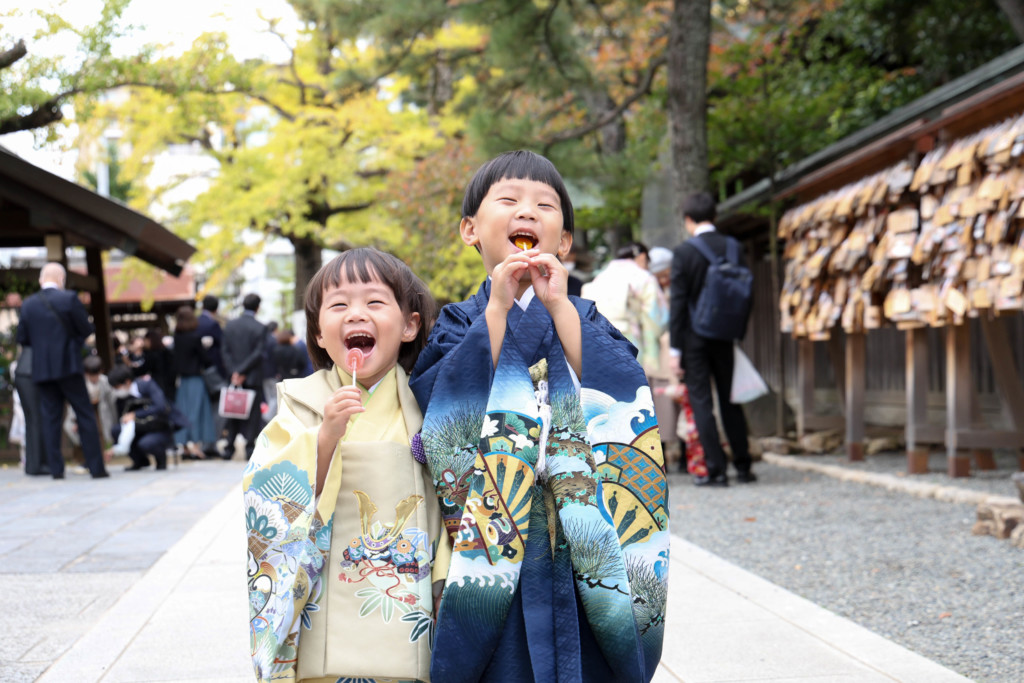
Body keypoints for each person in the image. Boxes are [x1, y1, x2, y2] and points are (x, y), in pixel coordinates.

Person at [409, 150, 668, 683]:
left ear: (564, 243)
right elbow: (439, 405)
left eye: (545, 205)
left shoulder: (585, 315)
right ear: (470, 230)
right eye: (508, 200)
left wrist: (561, 307)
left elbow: (623, 394)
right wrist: (498, 312)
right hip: (497, 536)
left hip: (585, 536)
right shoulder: (461, 320)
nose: (527, 211)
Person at [243, 247, 447, 683]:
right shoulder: (302, 403)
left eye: (375, 302)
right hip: (325, 605)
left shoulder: (430, 403)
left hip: (406, 604)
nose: (356, 313)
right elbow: (269, 495)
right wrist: (325, 437)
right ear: (318, 334)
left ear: (410, 325)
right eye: (338, 305)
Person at [669, 191, 756, 487]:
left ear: (688, 220)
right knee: (730, 398)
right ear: (715, 217)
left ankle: (716, 469)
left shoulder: (684, 252)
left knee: (702, 401)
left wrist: (675, 348)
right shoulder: (734, 247)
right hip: (724, 334)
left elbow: (678, 303)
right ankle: (744, 465)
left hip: (694, 337)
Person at [15, 262, 109, 479]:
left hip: (42, 370)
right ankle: (96, 468)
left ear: (41, 280)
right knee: (84, 414)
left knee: (51, 418)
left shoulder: (29, 304)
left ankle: (56, 470)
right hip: (69, 366)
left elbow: (23, 338)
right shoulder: (69, 299)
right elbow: (86, 329)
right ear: (62, 279)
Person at [582, 240, 667, 373]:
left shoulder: (601, 277)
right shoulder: (644, 277)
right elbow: (654, 315)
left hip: (599, 337)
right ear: (642, 257)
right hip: (630, 336)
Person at [221, 293, 267, 460]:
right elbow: (258, 354)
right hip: (252, 376)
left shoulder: (230, 325)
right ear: (257, 307)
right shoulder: (260, 327)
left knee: (232, 411)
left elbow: (225, 351)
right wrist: (243, 371)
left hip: (233, 377)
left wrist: (235, 371)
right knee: (253, 414)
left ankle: (229, 448)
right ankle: (249, 448)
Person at [107, 364, 178, 471]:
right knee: (116, 430)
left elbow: (161, 407)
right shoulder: (121, 398)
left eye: (116, 387)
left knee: (146, 443)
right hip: (139, 427)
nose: (116, 390)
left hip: (158, 427)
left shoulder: (147, 386)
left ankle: (161, 460)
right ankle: (140, 461)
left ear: (127, 382)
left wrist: (136, 414)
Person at [172, 305, 215, 459]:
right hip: (196, 379)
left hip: (182, 381)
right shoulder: (195, 337)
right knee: (197, 412)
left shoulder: (176, 337)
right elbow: (206, 360)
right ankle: (196, 446)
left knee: (183, 412)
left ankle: (184, 447)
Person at [12, 346, 48, 475]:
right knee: (36, 419)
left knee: (33, 420)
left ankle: (34, 464)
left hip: (25, 370)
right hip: (31, 371)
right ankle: (37, 464)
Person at [141, 328, 176, 403]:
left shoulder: (151, 354)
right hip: (170, 386)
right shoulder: (167, 351)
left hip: (159, 385)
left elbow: (143, 369)